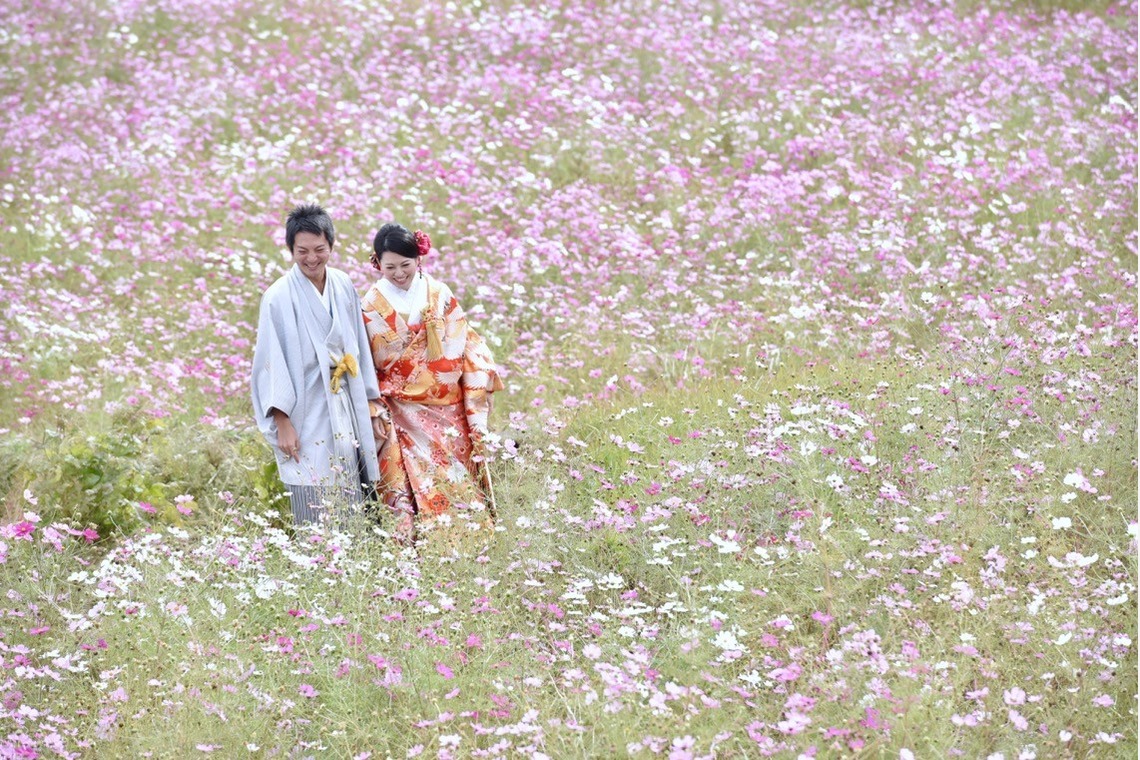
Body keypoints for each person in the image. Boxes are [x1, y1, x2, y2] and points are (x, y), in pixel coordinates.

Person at [362, 223, 503, 541]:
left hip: (447, 408)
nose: (399, 274)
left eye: (406, 265)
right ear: (377, 264)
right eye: (390, 267)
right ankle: (417, 551)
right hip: (400, 410)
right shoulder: (370, 304)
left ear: (419, 260)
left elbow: (467, 342)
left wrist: (480, 386)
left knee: (453, 478)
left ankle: (469, 544)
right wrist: (372, 404)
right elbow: (367, 358)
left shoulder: (439, 294)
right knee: (409, 485)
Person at [251, 204, 384, 526]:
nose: (312, 258)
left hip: (345, 397)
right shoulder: (278, 296)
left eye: (319, 249)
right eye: (303, 251)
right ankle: (318, 556)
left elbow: (358, 348)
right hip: (305, 403)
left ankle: (353, 555)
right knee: (311, 475)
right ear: (291, 250)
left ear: (331, 247)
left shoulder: (342, 284)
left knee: (350, 474)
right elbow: (271, 360)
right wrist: (282, 421)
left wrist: (371, 401)